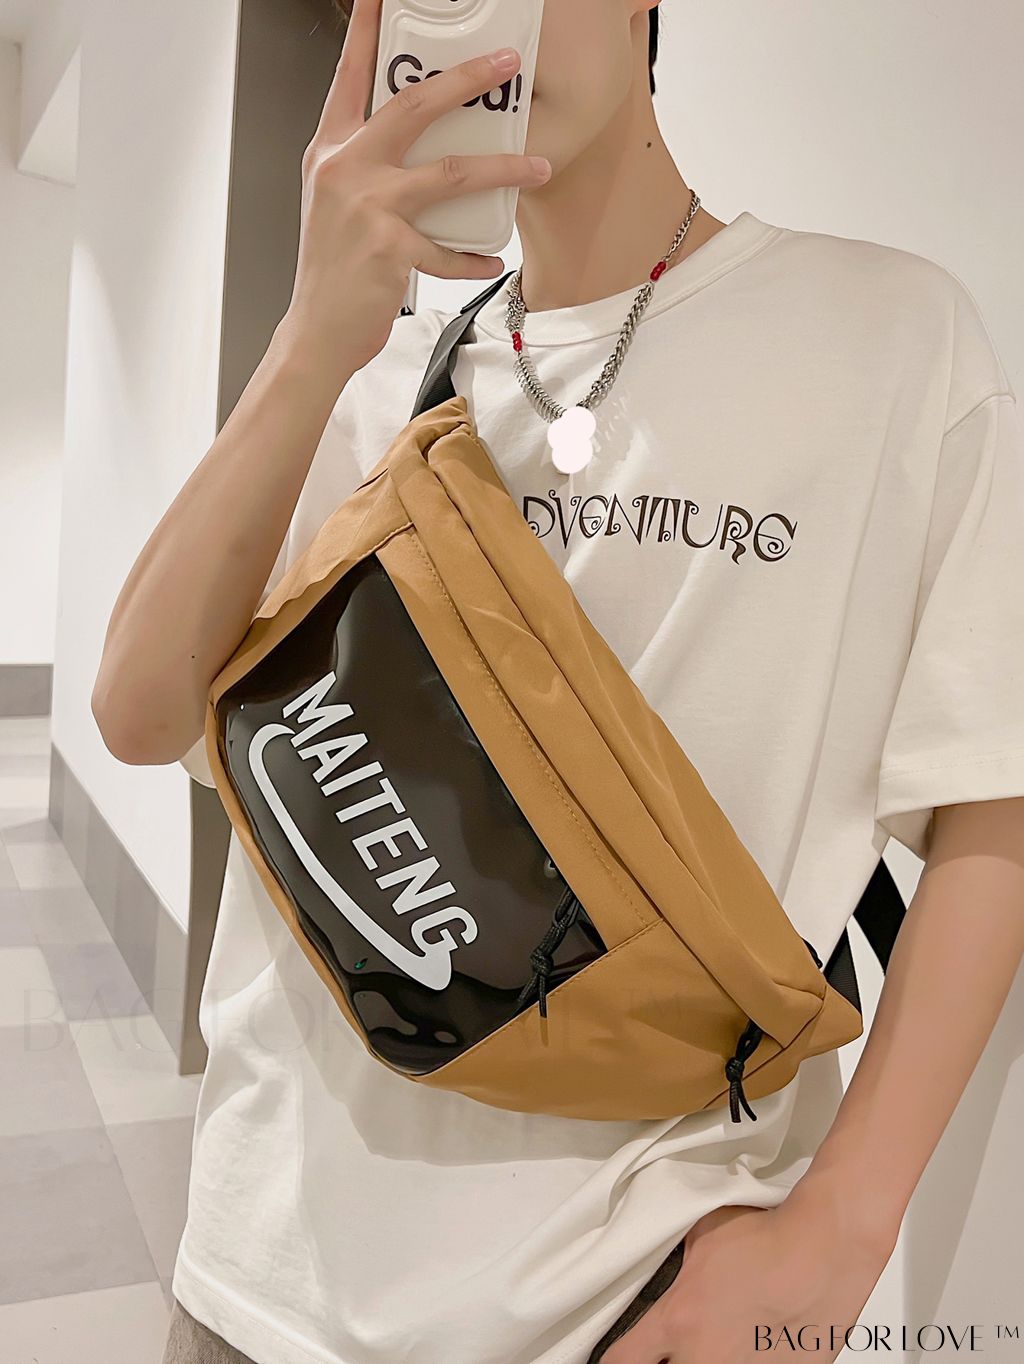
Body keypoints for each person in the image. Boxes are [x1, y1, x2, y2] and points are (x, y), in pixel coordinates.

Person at [93, 0, 1024, 1360]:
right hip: (260, 1269)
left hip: (622, 1296)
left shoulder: (889, 340)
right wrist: (311, 334)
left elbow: (992, 797)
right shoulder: (378, 380)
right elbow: (139, 714)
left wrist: (844, 1226)